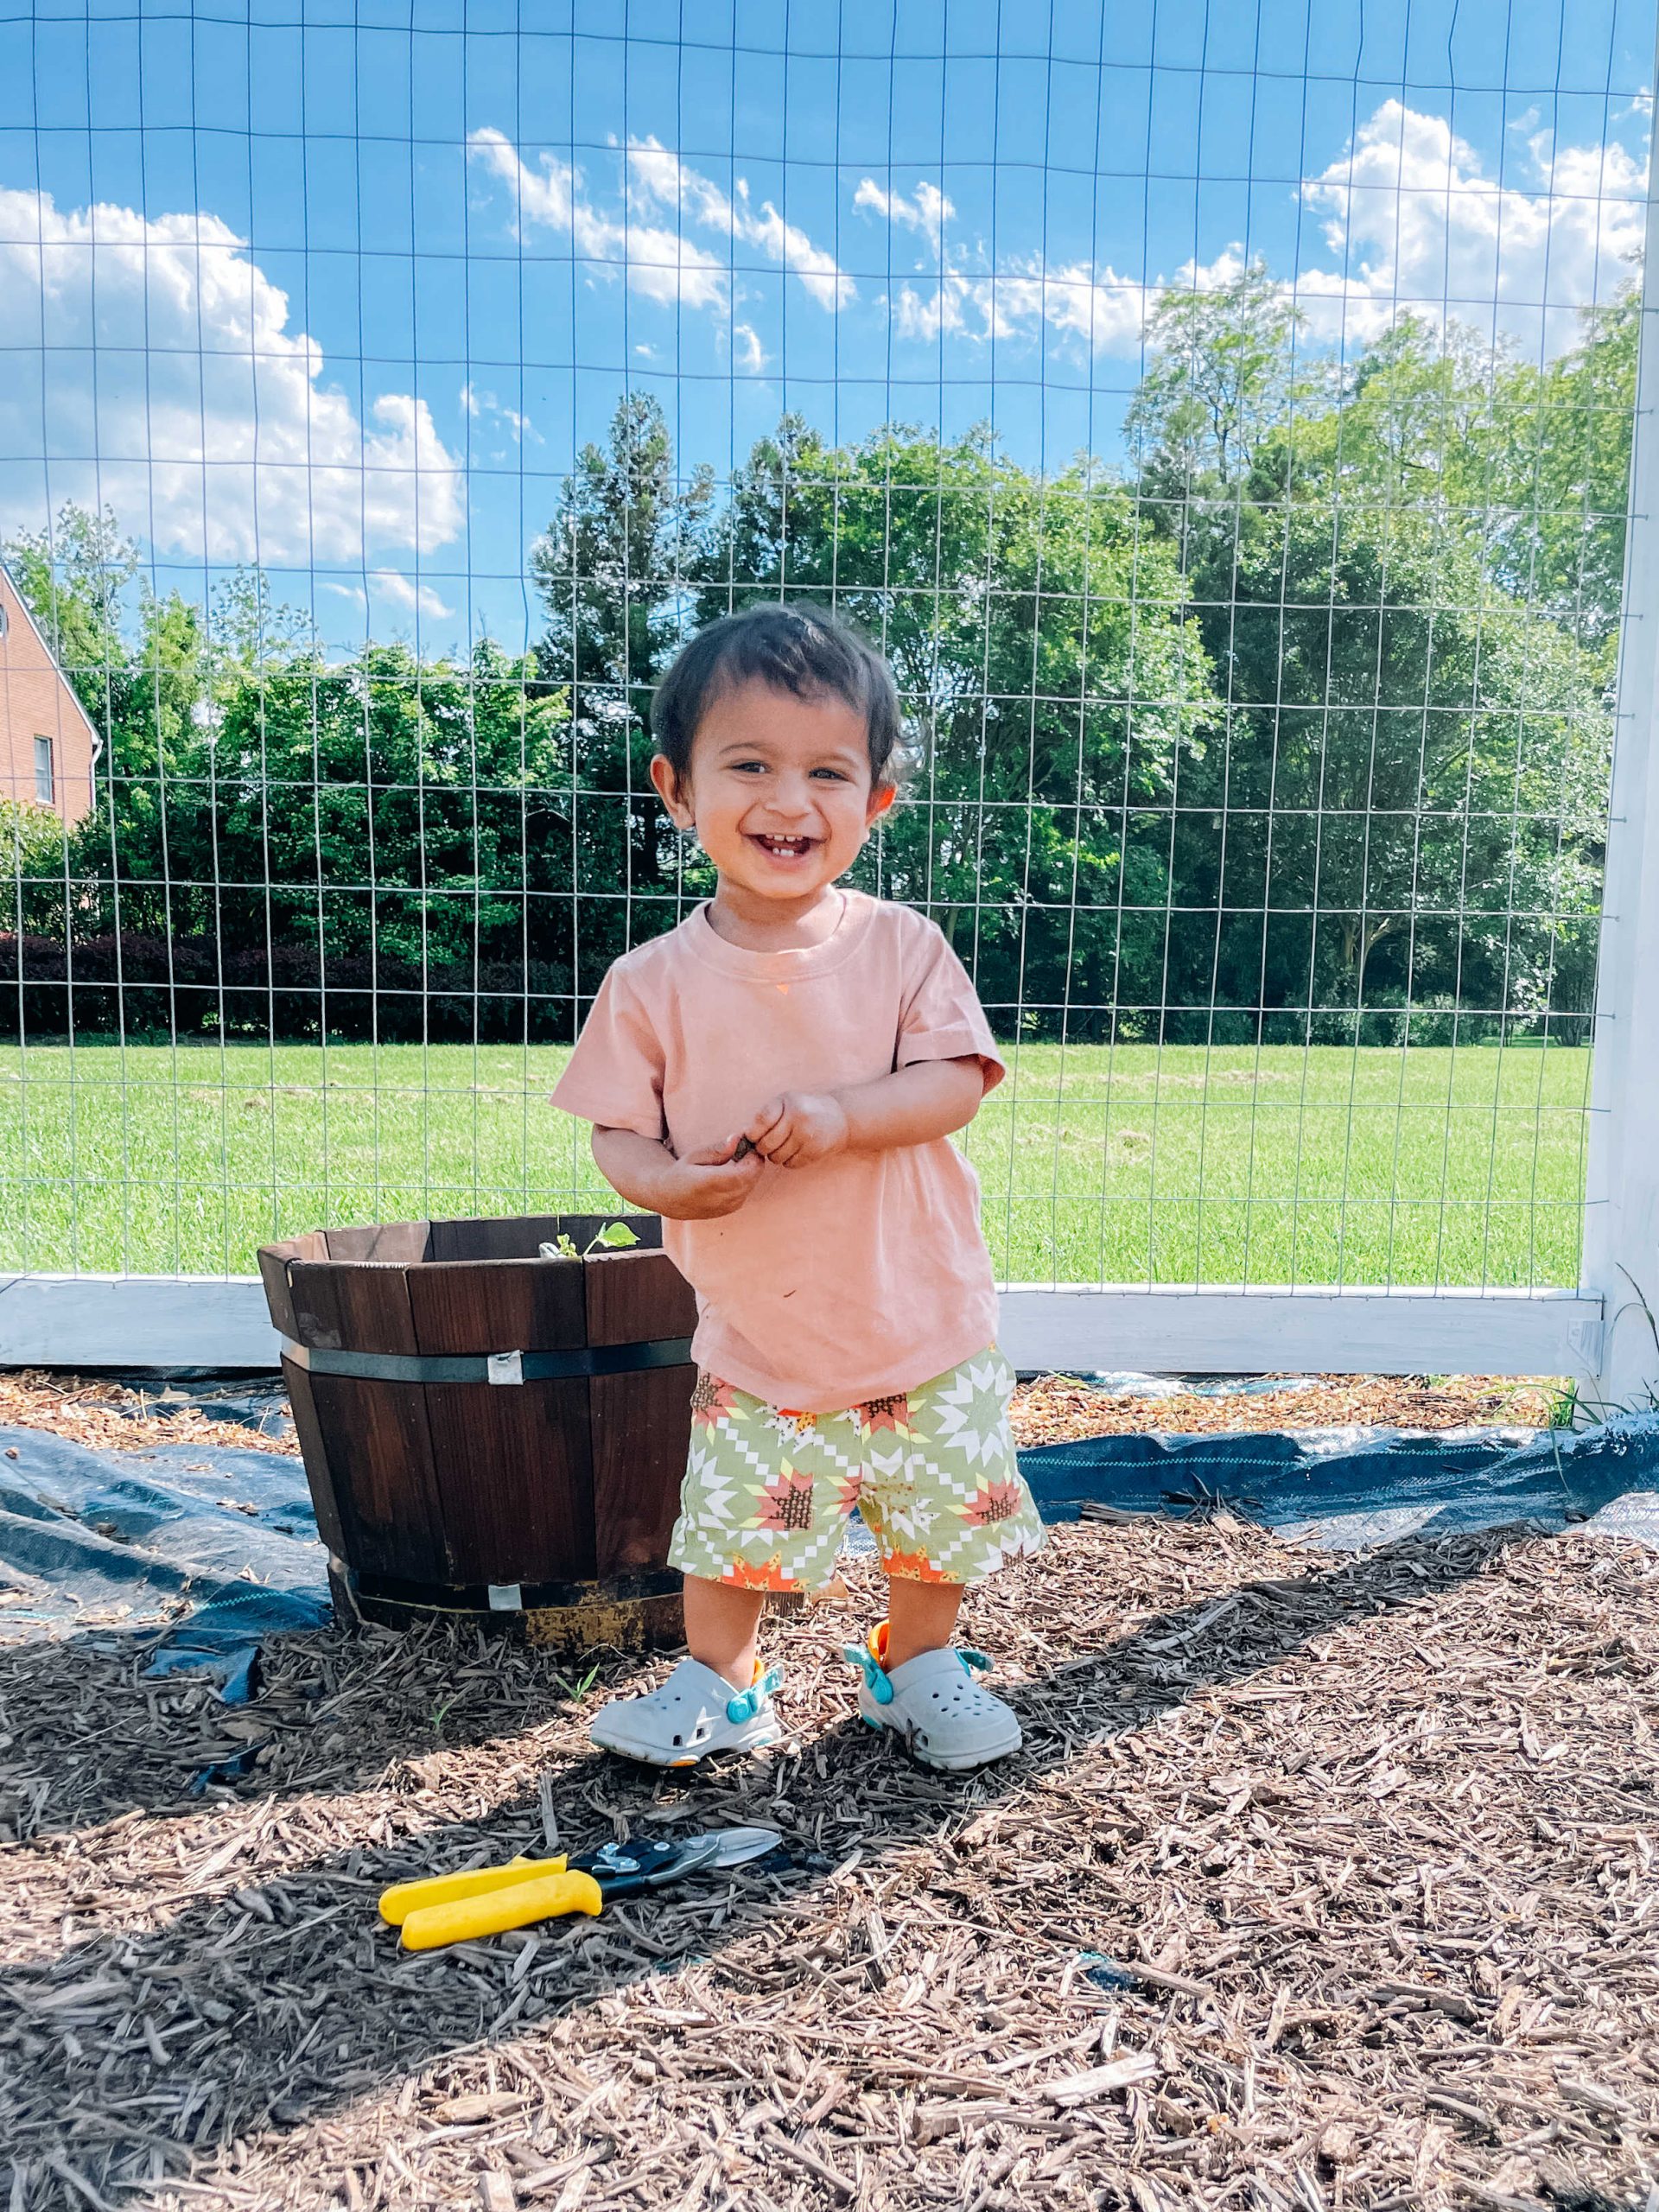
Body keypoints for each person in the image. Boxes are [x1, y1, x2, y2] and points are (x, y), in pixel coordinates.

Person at [550, 603, 1046, 1773]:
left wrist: (842, 1116)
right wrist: (667, 1184)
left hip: (921, 1320)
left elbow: (956, 1083)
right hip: (763, 1342)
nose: (791, 800)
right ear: (677, 790)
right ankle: (722, 1683)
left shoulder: (904, 948)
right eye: (751, 765)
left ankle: (918, 1667)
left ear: (877, 801)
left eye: (829, 771)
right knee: (730, 1526)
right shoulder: (650, 983)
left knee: (936, 1525)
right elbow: (616, 1134)